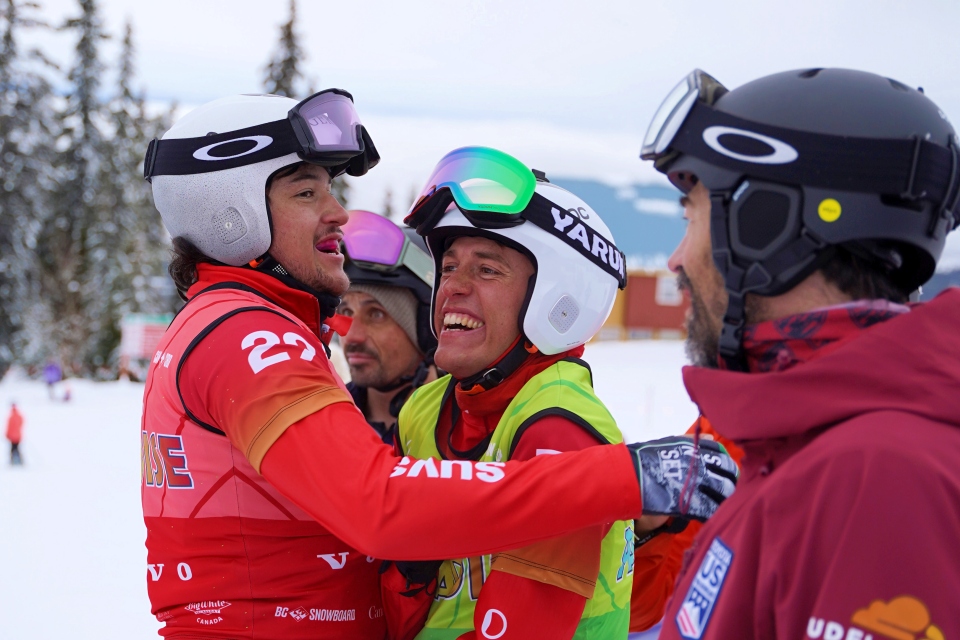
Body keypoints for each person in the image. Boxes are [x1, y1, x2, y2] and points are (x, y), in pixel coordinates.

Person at [140, 90, 737, 639]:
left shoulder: (551, 422)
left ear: (555, 294)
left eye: (487, 270)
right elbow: (376, 502)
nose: (337, 212)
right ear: (232, 213)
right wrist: (619, 479)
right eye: (306, 193)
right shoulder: (248, 335)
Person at [639, 68, 960, 639]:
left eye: (691, 217)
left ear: (765, 227)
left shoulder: (879, 479)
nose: (676, 259)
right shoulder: (803, 447)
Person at [396, 147, 694, 639]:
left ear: (557, 300)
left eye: (486, 270)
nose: (453, 288)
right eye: (448, 267)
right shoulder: (426, 408)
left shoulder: (560, 426)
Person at [338, 211, 438, 443]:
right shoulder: (324, 420)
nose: (352, 336)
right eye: (346, 312)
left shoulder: (464, 433)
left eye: (376, 314)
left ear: (426, 326)